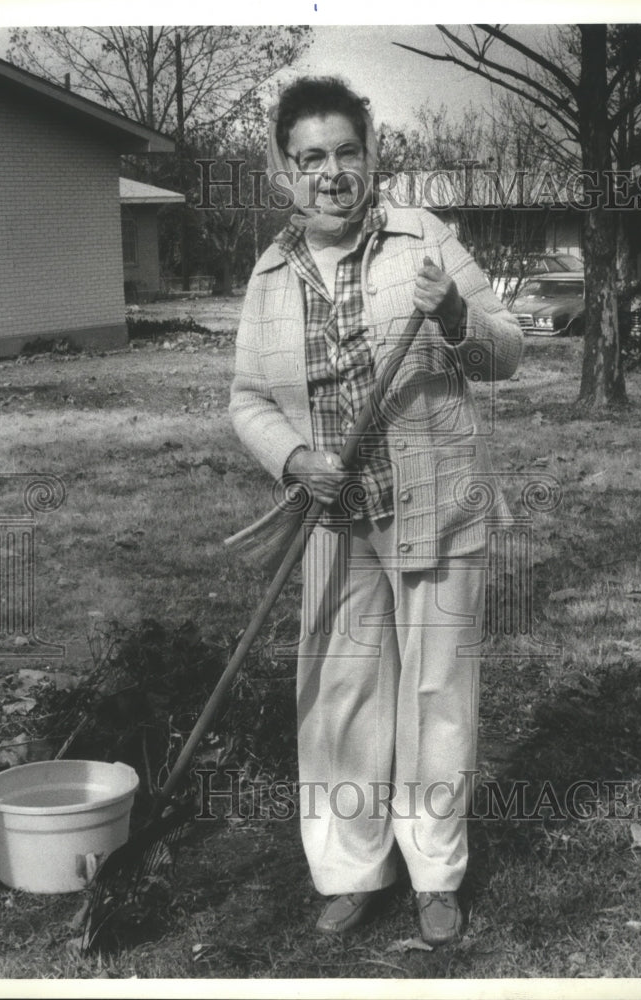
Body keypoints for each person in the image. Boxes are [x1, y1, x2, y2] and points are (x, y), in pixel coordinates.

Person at [229, 76, 523, 945]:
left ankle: (434, 871)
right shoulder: (271, 270)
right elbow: (247, 398)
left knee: (437, 693)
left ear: (372, 154)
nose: (331, 172)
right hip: (331, 515)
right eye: (311, 157)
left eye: (346, 151)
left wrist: (458, 312)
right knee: (342, 694)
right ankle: (351, 869)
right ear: (286, 172)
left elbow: (503, 350)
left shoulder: (423, 238)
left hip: (436, 501)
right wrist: (293, 457)